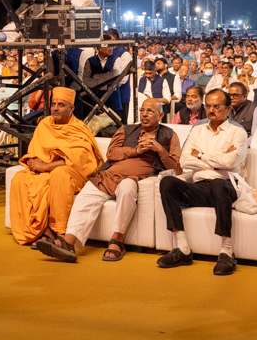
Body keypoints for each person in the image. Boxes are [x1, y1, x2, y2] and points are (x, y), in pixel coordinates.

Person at [36, 98, 181, 263]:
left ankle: (117, 240)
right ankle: (68, 242)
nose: (144, 114)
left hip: (132, 179)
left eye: (149, 111)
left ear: (161, 115)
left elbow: (176, 168)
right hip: (108, 175)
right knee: (87, 194)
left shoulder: (170, 135)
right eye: (142, 110)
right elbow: (111, 153)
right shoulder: (126, 129)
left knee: (127, 188)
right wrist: (135, 150)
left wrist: (159, 149)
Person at [157, 89, 248, 276]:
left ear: (228, 108)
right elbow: (185, 161)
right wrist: (217, 160)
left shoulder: (237, 132)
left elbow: (230, 163)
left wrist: (201, 156)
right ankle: (182, 248)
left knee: (218, 184)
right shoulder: (197, 129)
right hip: (199, 186)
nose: (211, 110)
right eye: (208, 106)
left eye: (217, 106)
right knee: (167, 182)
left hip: (226, 186)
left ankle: (226, 252)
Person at [8, 87, 103, 246]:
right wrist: (35, 163)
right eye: (53, 104)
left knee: (59, 174)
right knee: (19, 178)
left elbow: (80, 159)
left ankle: (60, 232)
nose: (56, 108)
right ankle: (41, 231)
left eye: (61, 105)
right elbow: (35, 151)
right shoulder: (45, 124)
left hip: (73, 172)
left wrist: (46, 167)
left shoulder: (79, 129)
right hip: (45, 168)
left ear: (71, 108)